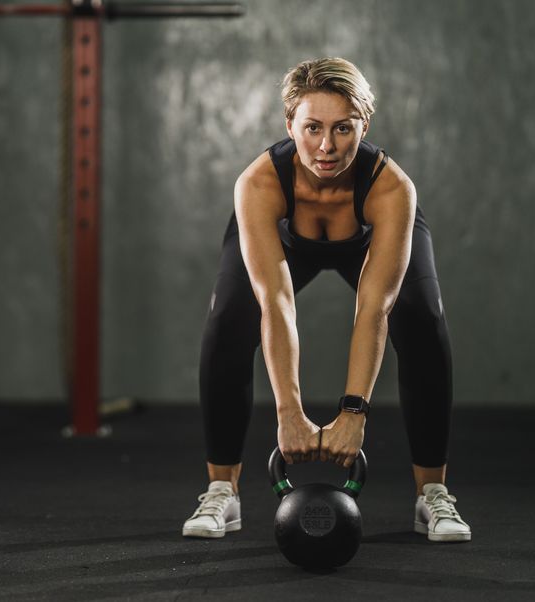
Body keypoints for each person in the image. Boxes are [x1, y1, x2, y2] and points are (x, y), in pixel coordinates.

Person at [181, 58, 471, 543]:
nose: (326, 146)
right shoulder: (258, 183)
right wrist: (289, 413)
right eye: (312, 127)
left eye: (343, 128)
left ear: (365, 124)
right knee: (230, 318)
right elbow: (276, 303)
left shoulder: (392, 188)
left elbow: (374, 308)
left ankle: (433, 495)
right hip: (285, 242)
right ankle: (221, 492)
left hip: (369, 238)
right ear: (289, 124)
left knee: (421, 319)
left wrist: (354, 413)